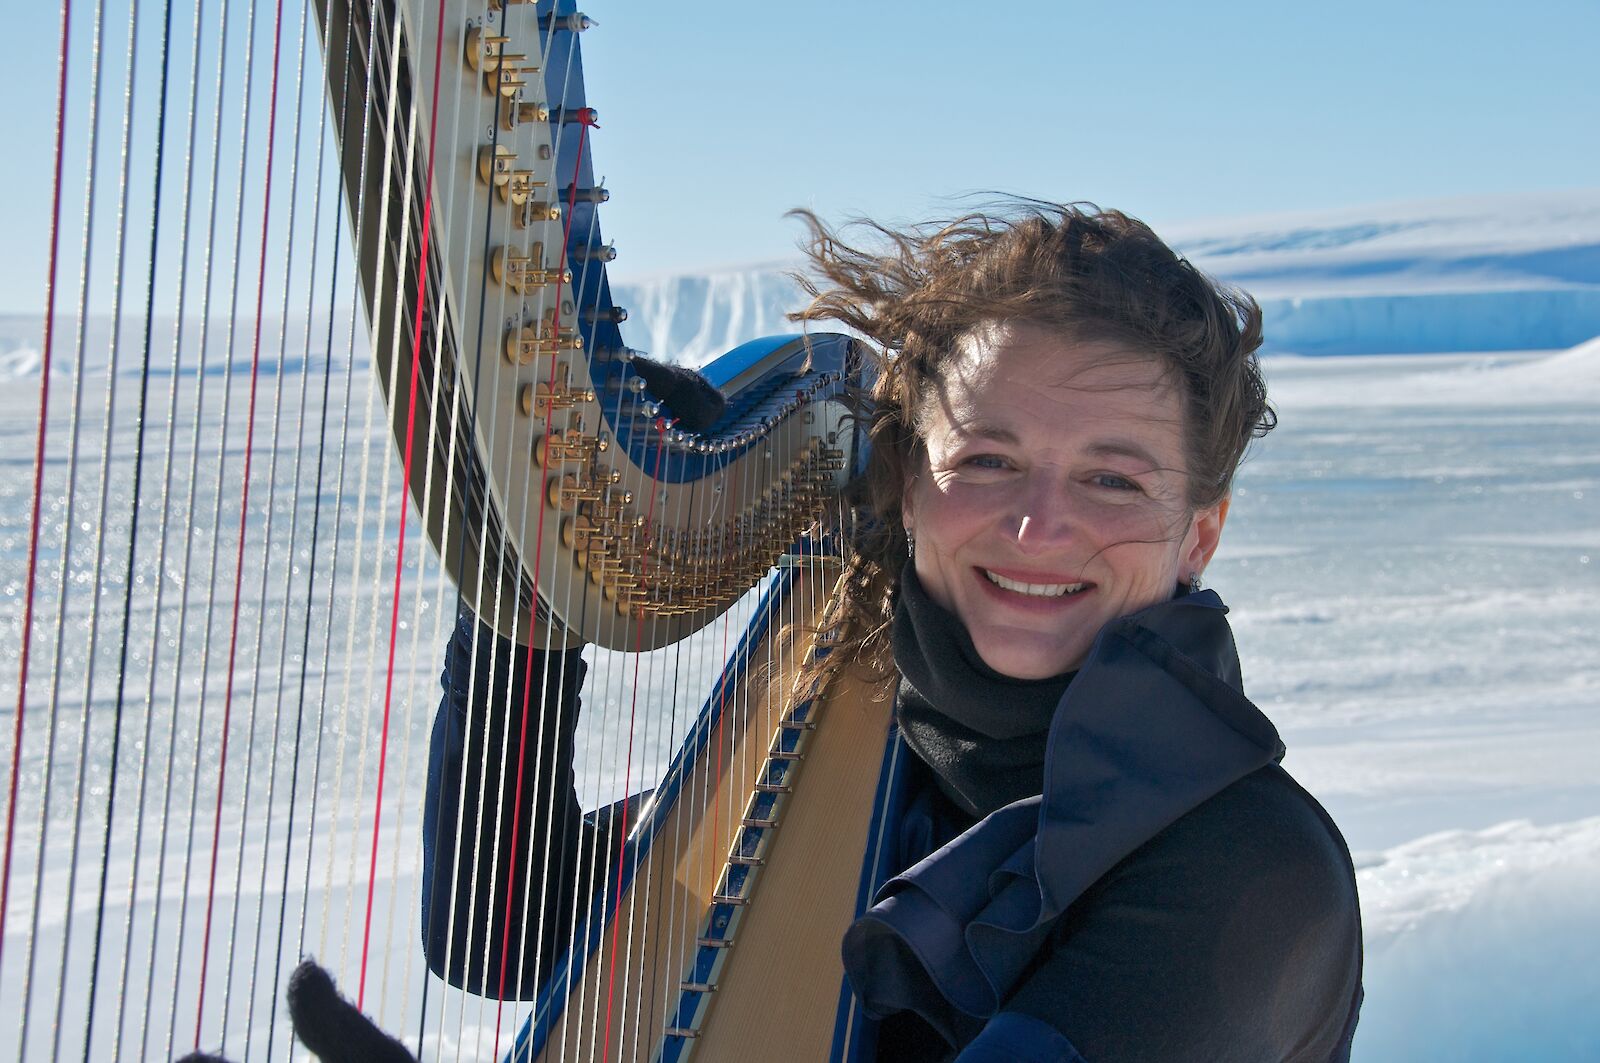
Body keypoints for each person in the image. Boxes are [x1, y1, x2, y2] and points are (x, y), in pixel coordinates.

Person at [420, 202, 1364, 1061]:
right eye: (988, 459)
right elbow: (498, 929)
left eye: (1112, 478)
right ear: (911, 482)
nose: (1038, 527)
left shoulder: (1254, 874)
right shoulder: (857, 741)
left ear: (1199, 531)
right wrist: (524, 591)